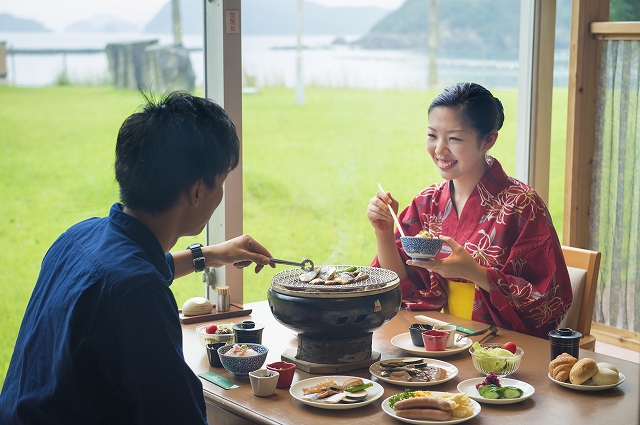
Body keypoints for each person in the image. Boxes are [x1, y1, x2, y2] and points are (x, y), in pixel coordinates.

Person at [0, 91, 274, 424]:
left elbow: (128, 269)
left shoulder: (77, 237)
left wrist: (212, 255)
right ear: (198, 191)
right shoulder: (136, 291)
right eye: (222, 183)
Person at [367, 82, 572, 339]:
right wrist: (384, 233)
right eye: (432, 135)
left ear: (488, 139)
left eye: (454, 138)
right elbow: (396, 285)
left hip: (499, 342)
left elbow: (548, 301)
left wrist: (474, 273)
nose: (440, 149)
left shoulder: (522, 204)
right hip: (433, 337)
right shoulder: (427, 201)